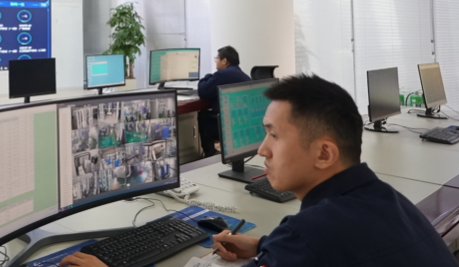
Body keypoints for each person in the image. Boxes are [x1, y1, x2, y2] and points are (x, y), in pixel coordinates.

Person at [60, 75, 456, 267]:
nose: (262, 150)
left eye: (274, 136)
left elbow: (315, 244)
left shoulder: (309, 234)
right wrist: (267, 244)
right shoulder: (388, 201)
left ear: (324, 153)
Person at [197, 45, 251, 156]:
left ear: (224, 61)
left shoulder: (223, 74)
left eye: (217, 58)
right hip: (242, 123)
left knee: (203, 115)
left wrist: (208, 76)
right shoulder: (242, 74)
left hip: (227, 125)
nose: (216, 61)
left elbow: (203, 91)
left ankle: (209, 153)